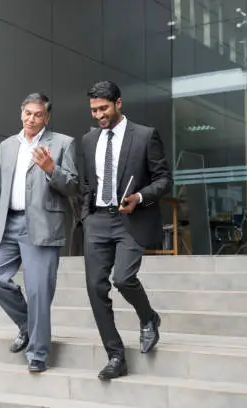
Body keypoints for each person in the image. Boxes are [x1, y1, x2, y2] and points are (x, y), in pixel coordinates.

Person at [79, 80, 172, 380]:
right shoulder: (88, 140)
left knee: (123, 278)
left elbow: (163, 179)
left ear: (118, 103)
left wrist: (140, 197)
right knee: (95, 287)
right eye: (94, 110)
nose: (98, 115)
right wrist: (86, 215)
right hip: (97, 221)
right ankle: (115, 355)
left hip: (131, 219)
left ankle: (149, 318)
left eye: (103, 108)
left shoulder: (145, 135)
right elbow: (86, 184)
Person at [0, 92, 79, 373]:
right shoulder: (7, 145)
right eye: (28, 113)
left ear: (46, 117)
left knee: (39, 291)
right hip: (7, 224)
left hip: (42, 226)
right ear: (21, 114)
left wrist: (52, 169)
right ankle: (27, 324)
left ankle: (38, 354)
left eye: (38, 115)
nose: (32, 119)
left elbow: (73, 187)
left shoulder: (62, 143)